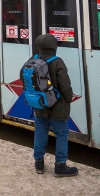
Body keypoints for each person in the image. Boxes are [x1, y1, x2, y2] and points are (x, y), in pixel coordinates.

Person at [31, 33, 78, 177]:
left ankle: (39, 162)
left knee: (40, 132)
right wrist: (68, 99)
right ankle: (60, 166)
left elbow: (24, 78)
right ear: (54, 47)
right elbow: (65, 86)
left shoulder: (34, 60)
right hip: (58, 107)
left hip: (40, 105)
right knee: (61, 134)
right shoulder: (58, 62)